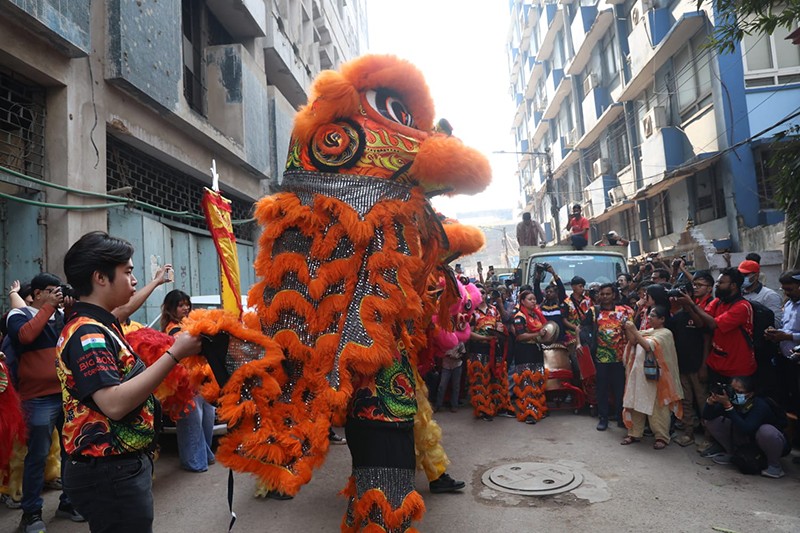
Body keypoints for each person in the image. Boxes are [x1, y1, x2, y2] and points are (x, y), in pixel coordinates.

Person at [56, 231, 201, 532]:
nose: (134, 280)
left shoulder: (99, 321)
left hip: (116, 467)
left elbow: (125, 308)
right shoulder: (88, 334)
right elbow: (114, 404)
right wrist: (175, 354)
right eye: (128, 272)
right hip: (110, 470)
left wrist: (158, 282)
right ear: (100, 278)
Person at [6, 273, 84, 531]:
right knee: (37, 457)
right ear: (37, 294)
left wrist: (72, 308)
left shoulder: (61, 317)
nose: (57, 295)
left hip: (66, 395)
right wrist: (50, 306)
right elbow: (26, 336)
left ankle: (69, 501)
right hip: (37, 399)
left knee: (72, 452)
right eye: (51, 291)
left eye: (58, 291)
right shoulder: (19, 316)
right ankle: (31, 513)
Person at [161, 289, 216, 473]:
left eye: (187, 304)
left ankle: (204, 456)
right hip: (184, 384)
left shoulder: (189, 324)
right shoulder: (173, 330)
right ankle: (193, 461)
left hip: (200, 381)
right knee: (192, 424)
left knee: (205, 420)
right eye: (180, 305)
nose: (185, 308)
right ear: (171, 308)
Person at [702, 375, 789, 478]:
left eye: (739, 391)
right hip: (747, 440)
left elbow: (746, 428)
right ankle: (733, 454)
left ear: (750, 394)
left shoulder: (760, 405)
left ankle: (774, 466)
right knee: (713, 421)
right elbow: (707, 416)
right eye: (733, 389)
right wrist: (710, 402)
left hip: (770, 442)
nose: (735, 393)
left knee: (766, 431)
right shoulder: (731, 399)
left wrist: (728, 406)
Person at [620, 306, 683, 449]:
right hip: (639, 374)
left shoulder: (665, 333)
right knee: (635, 402)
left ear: (662, 319)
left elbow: (648, 347)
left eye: (653, 316)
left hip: (657, 376)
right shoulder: (648, 331)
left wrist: (634, 330)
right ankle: (634, 433)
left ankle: (661, 437)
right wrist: (628, 328)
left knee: (658, 407)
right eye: (649, 315)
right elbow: (633, 341)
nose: (649, 318)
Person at [688, 268, 755, 385]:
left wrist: (691, 304)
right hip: (717, 364)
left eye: (721, 283)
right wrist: (687, 304)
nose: (717, 285)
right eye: (717, 282)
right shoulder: (718, 302)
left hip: (737, 368)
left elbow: (713, 324)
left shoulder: (742, 306)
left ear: (733, 285)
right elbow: (701, 322)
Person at [670, 284, 711, 447]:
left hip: (697, 366)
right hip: (682, 366)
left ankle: (709, 437)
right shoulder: (677, 316)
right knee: (685, 402)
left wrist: (704, 366)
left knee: (703, 403)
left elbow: (705, 333)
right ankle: (688, 433)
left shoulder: (701, 312)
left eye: (684, 293)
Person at [593, 283, 634, 431]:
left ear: (614, 295)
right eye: (602, 294)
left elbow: (632, 331)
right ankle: (603, 418)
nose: (604, 297)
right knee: (602, 389)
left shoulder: (625, 311)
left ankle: (620, 417)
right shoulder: (594, 311)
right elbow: (581, 328)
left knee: (620, 388)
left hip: (620, 357)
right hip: (601, 357)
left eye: (607, 294)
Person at [764, 270, 800, 431]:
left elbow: (789, 333)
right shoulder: (789, 304)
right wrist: (774, 332)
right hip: (786, 360)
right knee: (787, 400)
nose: (786, 292)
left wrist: (788, 336)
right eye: (784, 289)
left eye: (790, 289)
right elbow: (785, 327)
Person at [510, 290, 549, 424]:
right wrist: (538, 334)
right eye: (530, 299)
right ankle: (528, 412)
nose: (533, 301)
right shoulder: (519, 317)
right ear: (522, 301)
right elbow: (520, 336)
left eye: (534, 299)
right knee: (526, 382)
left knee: (537, 379)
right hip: (524, 351)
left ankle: (537, 408)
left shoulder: (537, 315)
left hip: (536, 350)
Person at [738, 260, 783, 327]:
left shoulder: (769, 295)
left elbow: (776, 323)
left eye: (745, 275)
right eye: (740, 275)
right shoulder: (738, 293)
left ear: (756, 276)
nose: (741, 278)